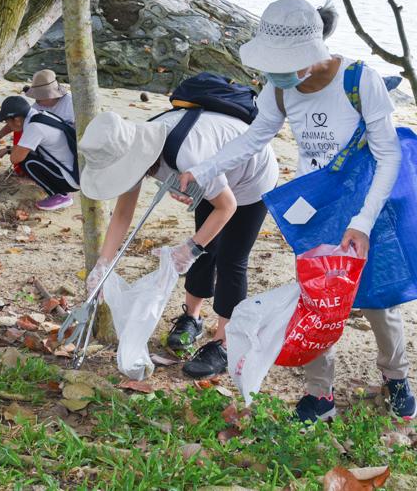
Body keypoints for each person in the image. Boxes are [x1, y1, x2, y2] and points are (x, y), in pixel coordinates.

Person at [177, 0, 416, 421]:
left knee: (378, 302)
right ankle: (320, 395)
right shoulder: (279, 88)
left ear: (314, 50)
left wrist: (362, 222)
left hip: (367, 205)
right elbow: (255, 138)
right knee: (315, 302)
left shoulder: (359, 80)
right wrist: (204, 168)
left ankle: (395, 377)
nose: (278, 73)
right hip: (314, 208)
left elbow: (389, 156)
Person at [77, 109, 278, 379]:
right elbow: (123, 214)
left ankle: (223, 344)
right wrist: (104, 264)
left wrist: (188, 250)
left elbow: (227, 206)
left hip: (251, 174)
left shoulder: (185, 154)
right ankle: (192, 319)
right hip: (211, 174)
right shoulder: (128, 147)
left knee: (230, 259)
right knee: (204, 249)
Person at [0, 95, 79, 211]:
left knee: (26, 162)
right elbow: (26, 147)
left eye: (8, 122)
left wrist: (9, 151)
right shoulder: (40, 115)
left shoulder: (34, 127)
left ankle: (60, 195)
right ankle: (53, 186)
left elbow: (15, 158)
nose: (9, 126)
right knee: (29, 153)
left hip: (70, 179)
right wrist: (6, 150)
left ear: (17, 120)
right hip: (75, 170)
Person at [0, 70, 74, 175]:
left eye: (38, 95)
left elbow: (76, 132)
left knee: (27, 153)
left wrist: (10, 150)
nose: (35, 98)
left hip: (65, 147)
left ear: (50, 95)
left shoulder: (70, 103)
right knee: (22, 130)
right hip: (47, 143)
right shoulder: (39, 104)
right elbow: (19, 120)